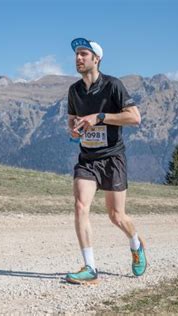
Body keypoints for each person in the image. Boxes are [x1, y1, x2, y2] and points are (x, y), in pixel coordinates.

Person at [65, 38, 147, 284]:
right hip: (87, 159)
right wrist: (75, 130)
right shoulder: (74, 91)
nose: (78, 58)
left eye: (83, 54)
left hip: (113, 158)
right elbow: (71, 122)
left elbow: (134, 118)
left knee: (116, 216)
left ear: (96, 59)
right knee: (80, 206)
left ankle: (136, 244)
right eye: (76, 54)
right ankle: (90, 267)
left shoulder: (113, 85)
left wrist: (99, 117)